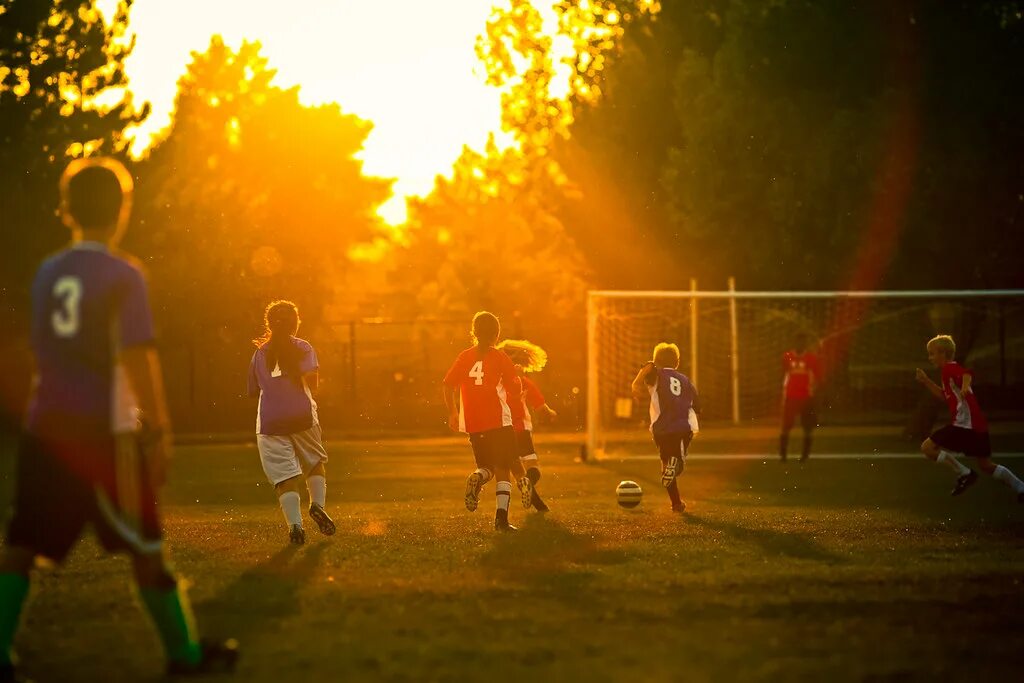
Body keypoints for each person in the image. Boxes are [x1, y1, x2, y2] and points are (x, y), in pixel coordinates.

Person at [0, 158, 237, 682]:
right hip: (102, 436)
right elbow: (137, 356)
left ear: (66, 210)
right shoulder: (122, 274)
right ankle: (185, 656)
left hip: (46, 429)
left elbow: (39, 347)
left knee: (19, 547)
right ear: (122, 210)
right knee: (147, 547)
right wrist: (160, 431)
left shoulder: (47, 273)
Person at [247, 300, 336, 545]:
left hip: (270, 420)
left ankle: (295, 526)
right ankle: (317, 505)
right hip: (302, 415)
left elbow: (254, 390)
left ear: (269, 324)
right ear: (296, 323)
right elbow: (313, 380)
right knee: (315, 463)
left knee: (284, 477)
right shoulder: (303, 347)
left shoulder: (259, 353)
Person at [916, 334, 1024, 500]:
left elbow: (967, 373)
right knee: (986, 465)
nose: (930, 357)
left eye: (932, 353)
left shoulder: (950, 368)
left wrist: (966, 386)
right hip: (976, 425)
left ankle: (965, 473)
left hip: (964, 425)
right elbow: (945, 396)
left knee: (927, 448)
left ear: (943, 354)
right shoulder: (947, 373)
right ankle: (1021, 488)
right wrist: (926, 381)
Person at [442, 312, 522, 531]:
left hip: (474, 423)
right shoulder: (500, 357)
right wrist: (516, 376)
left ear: (474, 333)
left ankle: (477, 477)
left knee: (486, 467)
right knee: (503, 470)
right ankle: (501, 520)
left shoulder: (464, 357)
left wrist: (453, 412)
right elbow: (514, 391)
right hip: (497, 421)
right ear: (496, 334)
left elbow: (448, 385)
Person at [631, 342, 700, 512]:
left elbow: (644, 374)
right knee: (678, 465)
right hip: (682, 427)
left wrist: (637, 382)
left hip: (660, 429)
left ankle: (676, 503)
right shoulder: (685, 380)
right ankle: (675, 465)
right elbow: (697, 405)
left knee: (665, 463)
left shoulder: (654, 373)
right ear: (677, 362)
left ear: (656, 360)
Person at [496, 339, 557, 512]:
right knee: (533, 469)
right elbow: (541, 407)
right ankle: (531, 493)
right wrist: (551, 413)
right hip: (520, 429)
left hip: (499, 430)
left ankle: (539, 506)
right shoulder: (523, 382)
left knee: (515, 472)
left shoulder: (496, 382)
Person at [780, 333, 821, 462]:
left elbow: (817, 377)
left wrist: (813, 390)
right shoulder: (787, 357)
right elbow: (783, 373)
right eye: (798, 342)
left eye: (802, 342)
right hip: (791, 397)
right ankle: (783, 455)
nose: (800, 344)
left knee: (807, 428)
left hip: (806, 397)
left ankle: (805, 456)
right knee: (786, 427)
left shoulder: (811, 358)